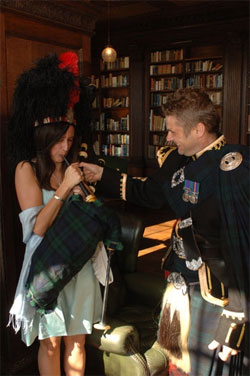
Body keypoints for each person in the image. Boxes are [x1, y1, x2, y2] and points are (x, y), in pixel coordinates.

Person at [81, 88, 249, 375]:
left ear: (198, 129)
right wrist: (102, 176)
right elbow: (152, 193)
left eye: (173, 131)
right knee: (183, 363)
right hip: (184, 281)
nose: (167, 138)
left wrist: (234, 320)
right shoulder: (183, 157)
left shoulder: (231, 168)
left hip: (217, 293)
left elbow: (241, 248)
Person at [7, 52, 105, 376]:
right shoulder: (27, 170)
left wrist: (86, 197)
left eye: (70, 139)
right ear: (45, 137)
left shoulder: (74, 169)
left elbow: (90, 220)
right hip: (47, 267)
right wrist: (64, 190)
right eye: (60, 140)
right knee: (50, 341)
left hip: (79, 267)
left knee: (77, 342)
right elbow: (35, 230)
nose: (66, 147)